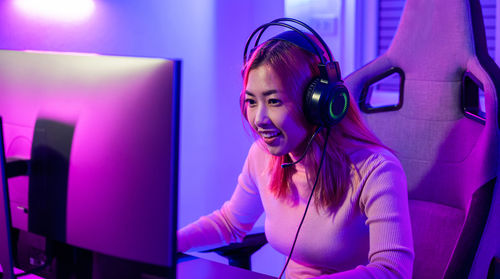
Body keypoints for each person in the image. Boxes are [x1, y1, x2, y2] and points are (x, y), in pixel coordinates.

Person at [178, 23, 414, 279]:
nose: (259, 118)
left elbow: (392, 271)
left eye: (274, 101)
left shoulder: (376, 169)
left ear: (317, 103)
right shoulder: (262, 157)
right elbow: (230, 223)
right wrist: (166, 243)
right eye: (251, 101)